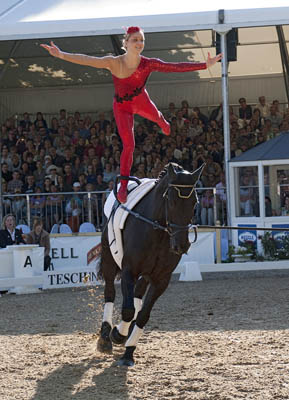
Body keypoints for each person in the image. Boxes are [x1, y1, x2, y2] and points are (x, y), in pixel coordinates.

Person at [41, 27, 222, 203]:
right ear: (126, 42)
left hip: (141, 100)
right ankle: (123, 185)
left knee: (159, 119)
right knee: (129, 145)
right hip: (122, 106)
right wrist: (62, 55)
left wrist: (204, 65)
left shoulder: (148, 63)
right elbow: (87, 59)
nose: (139, 43)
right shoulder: (114, 62)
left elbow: (174, 66)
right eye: (135, 39)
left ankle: (162, 122)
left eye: (141, 40)